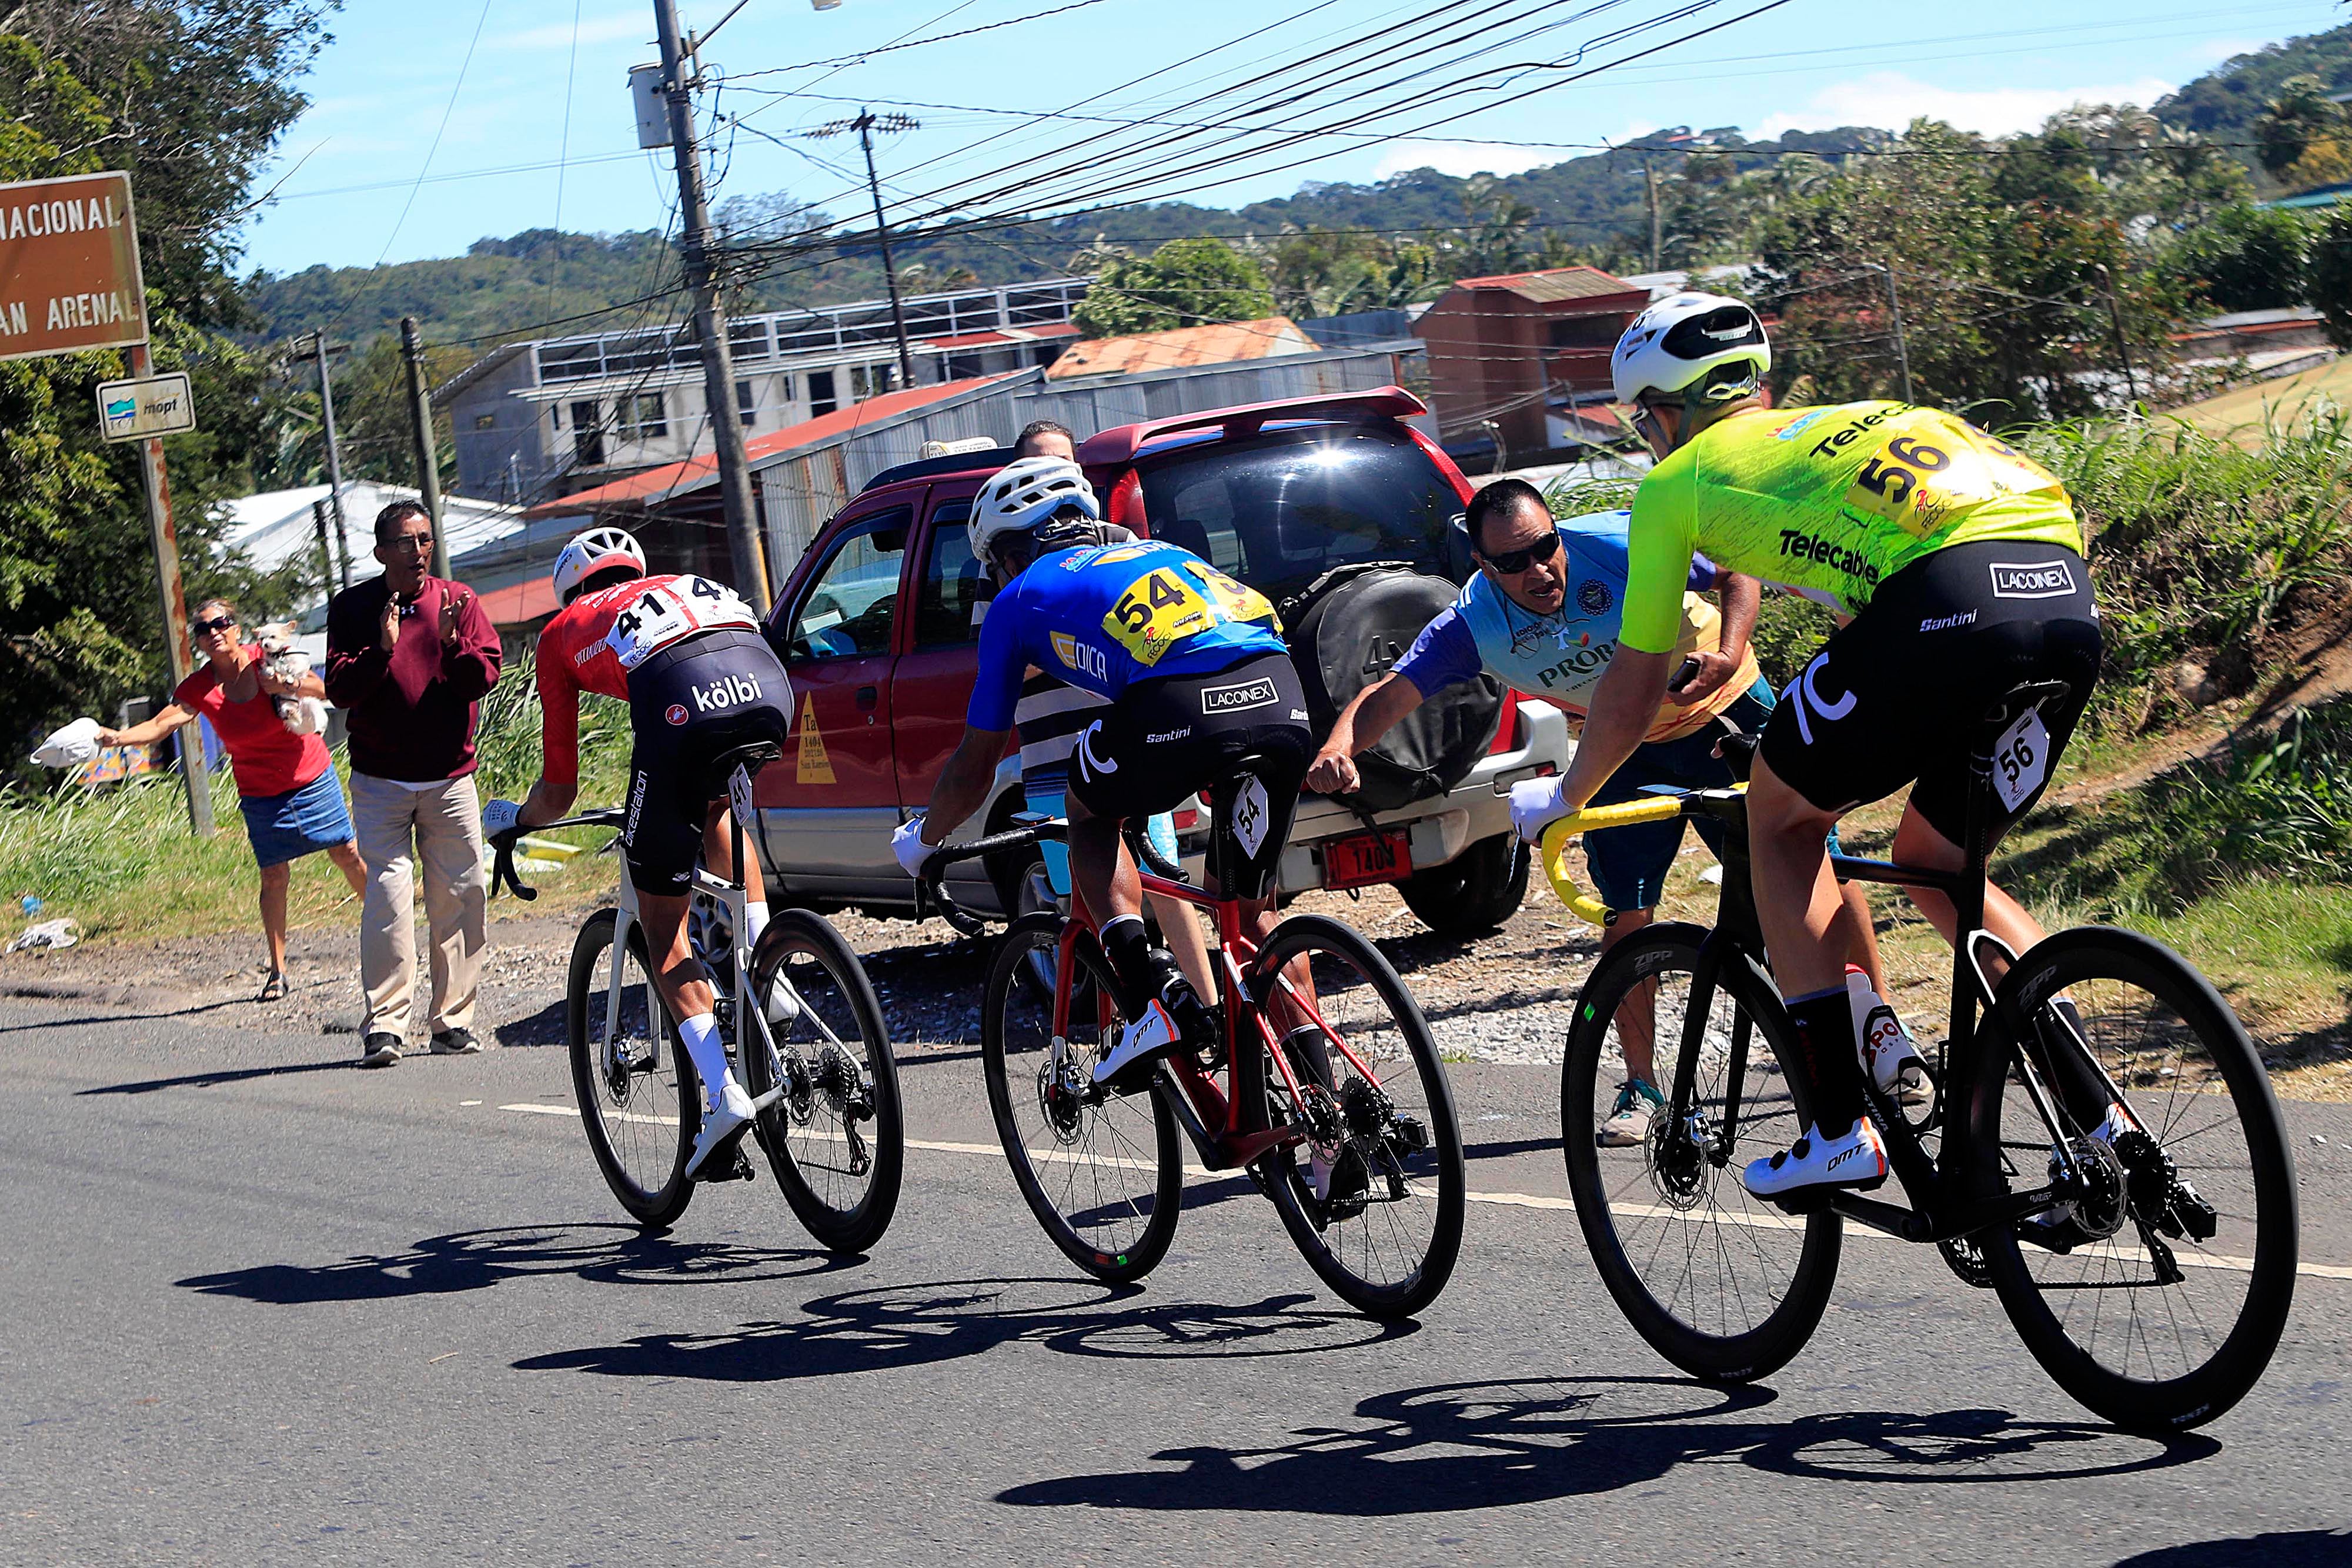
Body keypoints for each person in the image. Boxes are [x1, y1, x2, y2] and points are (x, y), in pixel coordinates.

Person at [1529, 291, 2101, 1198]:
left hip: (1948, 600)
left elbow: (1636, 684)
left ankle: (1840, 1125)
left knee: (1779, 815)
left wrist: (1569, 796)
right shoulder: (1859, 424)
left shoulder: (1676, 483)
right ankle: (2102, 1125)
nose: (1646, 436)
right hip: (2061, 595)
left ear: (1667, 411)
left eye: (1644, 418)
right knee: (1934, 863)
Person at [1305, 479, 1887, 1147]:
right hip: (1623, 750)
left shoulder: (1618, 544)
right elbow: (1392, 692)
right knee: (1626, 916)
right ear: (1483, 567)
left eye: (1544, 548)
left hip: (1726, 713)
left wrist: (1727, 651)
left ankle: (1878, 1037)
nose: (1538, 571)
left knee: (1823, 873)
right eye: (1513, 564)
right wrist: (1340, 745)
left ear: (1557, 532)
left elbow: (1736, 570)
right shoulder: (1473, 625)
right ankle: (1641, 1085)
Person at [894, 457, 1309, 1088]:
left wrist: (925, 840)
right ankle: (1335, 1114)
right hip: (1279, 693)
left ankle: (1147, 1006)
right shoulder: (1157, 551)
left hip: (1180, 703)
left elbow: (976, 762)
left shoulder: (1015, 596)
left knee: (1086, 813)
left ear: (1007, 553)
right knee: (1253, 917)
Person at [484, 527, 791, 1179]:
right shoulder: (676, 585)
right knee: (713, 807)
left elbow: (560, 789)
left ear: (569, 590)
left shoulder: (564, 628)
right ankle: (774, 973)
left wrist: (515, 821)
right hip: (766, 681)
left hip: (684, 695)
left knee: (661, 928)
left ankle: (722, 1096)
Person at [1001, 423, 1218, 1007]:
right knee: (1088, 900)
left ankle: (1209, 1009)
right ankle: (1123, 1029)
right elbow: (998, 661)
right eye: (1039, 468)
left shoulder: (1118, 539)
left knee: (1166, 886)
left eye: (1063, 465)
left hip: (1132, 739)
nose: (1054, 478)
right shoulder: (1004, 558)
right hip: (1051, 756)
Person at [99, 599, 368, 1000]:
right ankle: (278, 970)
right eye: (205, 629)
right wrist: (118, 738)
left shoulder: (270, 656)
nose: (214, 632)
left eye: (222, 623)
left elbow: (325, 687)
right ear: (201, 643)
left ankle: (389, 930)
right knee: (273, 875)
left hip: (310, 774)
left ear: (238, 630)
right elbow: (162, 723)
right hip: (260, 791)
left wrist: (286, 685)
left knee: (346, 852)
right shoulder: (201, 688)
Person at [325, 501, 503, 1068]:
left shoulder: (459, 601)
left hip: (450, 779)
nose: (419, 551)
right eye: (405, 542)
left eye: (425, 539)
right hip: (381, 782)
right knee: (388, 898)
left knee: (460, 897)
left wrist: (452, 643)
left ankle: (452, 1021)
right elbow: (340, 689)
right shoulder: (354, 607)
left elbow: (484, 677)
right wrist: (380, 648)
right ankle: (385, 1026)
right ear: (380, 552)